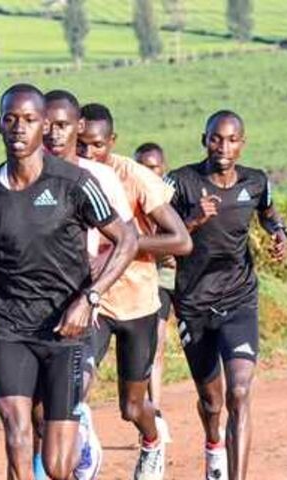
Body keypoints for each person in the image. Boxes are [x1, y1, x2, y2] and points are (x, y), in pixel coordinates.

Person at [0, 84, 137, 480]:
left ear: (44, 125)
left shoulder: (75, 183)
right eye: (11, 119)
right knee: (16, 430)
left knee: (56, 466)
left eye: (30, 120)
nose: (19, 128)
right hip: (10, 326)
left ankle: (79, 439)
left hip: (65, 328)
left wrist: (90, 298)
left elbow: (127, 240)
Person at [166, 110, 287, 480]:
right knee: (212, 401)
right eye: (216, 139)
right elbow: (158, 237)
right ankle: (213, 444)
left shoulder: (256, 181)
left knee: (239, 391)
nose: (223, 147)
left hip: (239, 298)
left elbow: (268, 213)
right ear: (204, 140)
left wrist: (279, 233)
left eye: (232, 140)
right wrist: (192, 220)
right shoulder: (180, 183)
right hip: (194, 303)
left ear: (242, 144)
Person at [77, 103, 192, 480]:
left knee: (131, 406)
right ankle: (82, 441)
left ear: (112, 141)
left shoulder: (135, 176)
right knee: (76, 384)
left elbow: (181, 241)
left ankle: (152, 440)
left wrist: (125, 243)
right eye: (81, 144)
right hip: (93, 300)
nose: (87, 153)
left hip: (137, 304)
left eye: (96, 145)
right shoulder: (67, 173)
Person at [36, 89, 135, 480]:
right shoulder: (18, 174)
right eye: (45, 124)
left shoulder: (99, 177)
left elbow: (125, 238)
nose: (52, 133)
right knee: (32, 410)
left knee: (64, 396)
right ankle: (73, 431)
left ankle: (77, 435)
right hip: (25, 307)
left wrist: (95, 283)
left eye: (61, 125)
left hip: (79, 302)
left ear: (77, 127)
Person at [133, 142, 175, 416]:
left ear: (163, 168)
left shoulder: (171, 194)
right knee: (151, 344)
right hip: (144, 272)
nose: (147, 172)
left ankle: (154, 409)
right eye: (141, 166)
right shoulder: (128, 192)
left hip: (171, 275)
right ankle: (151, 410)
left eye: (153, 167)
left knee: (159, 343)